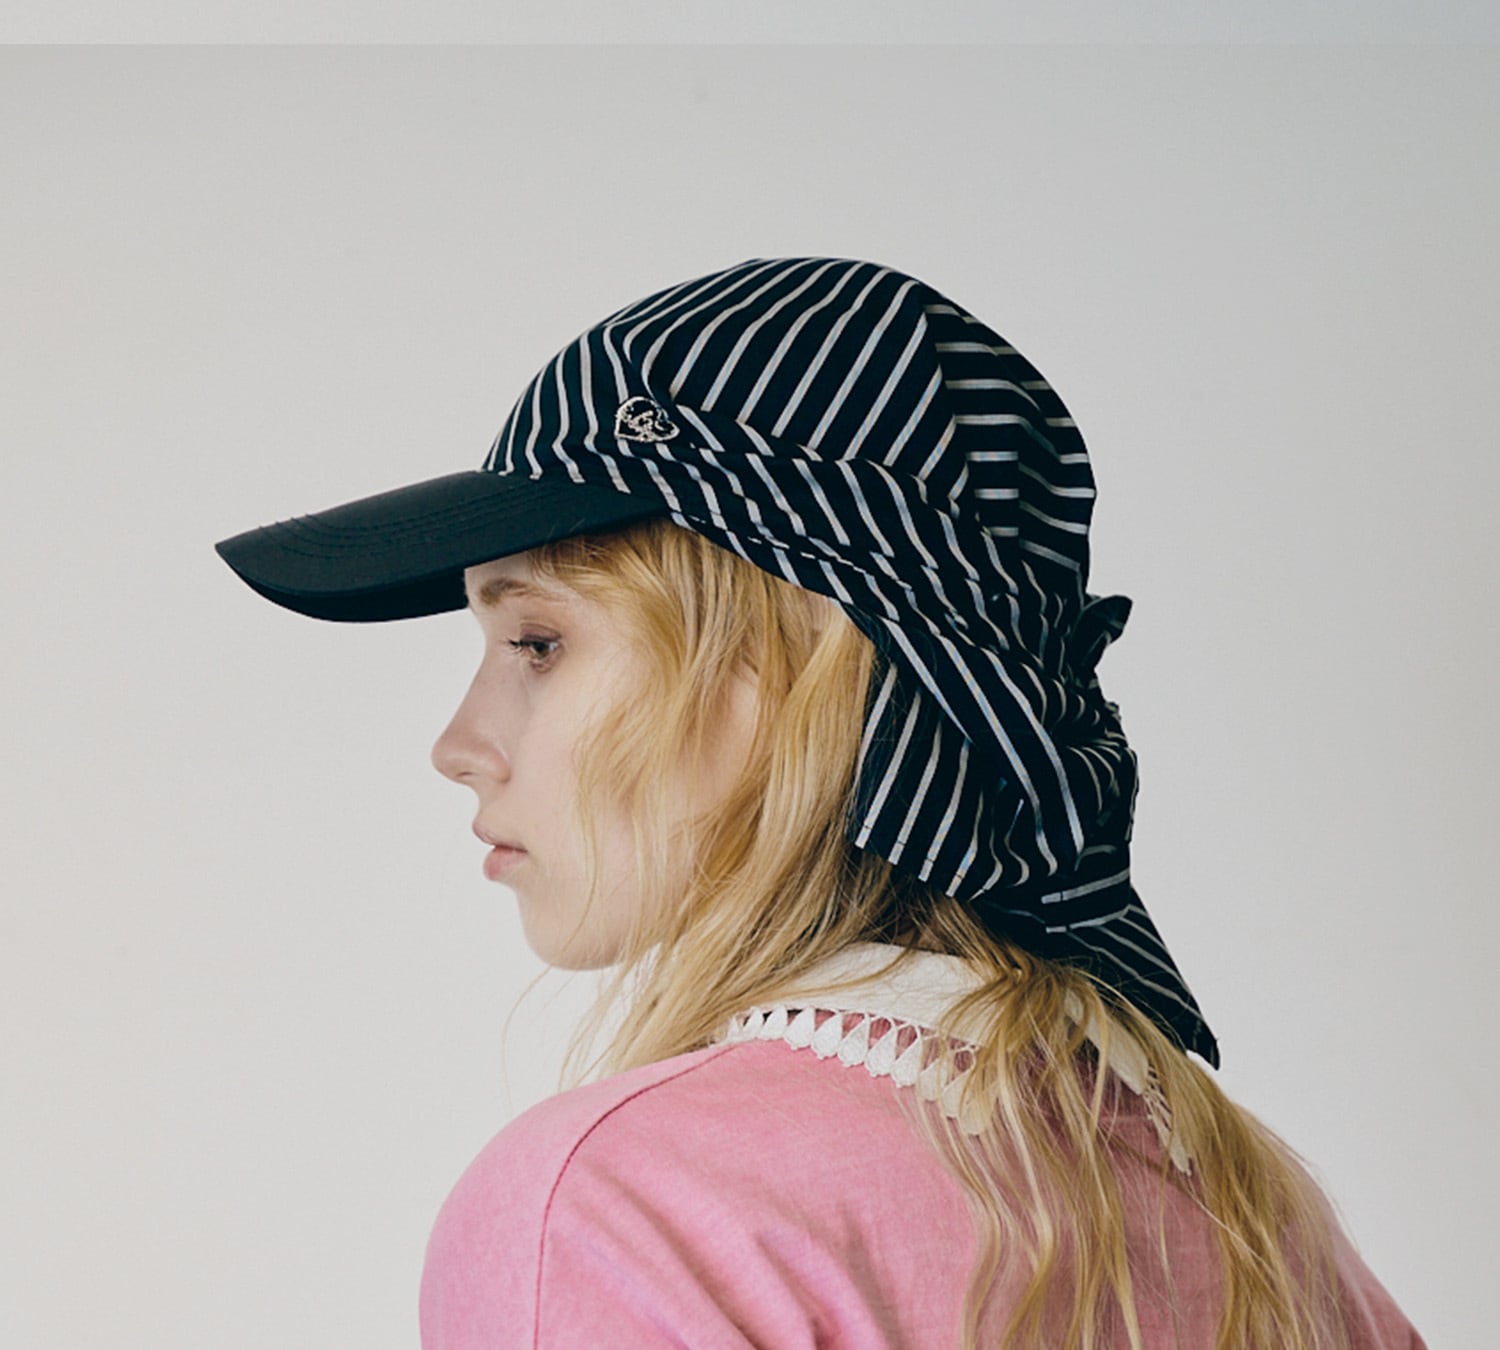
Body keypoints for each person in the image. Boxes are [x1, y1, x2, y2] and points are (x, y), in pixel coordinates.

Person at [215, 257, 1425, 1348]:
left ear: (796, 665)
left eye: (538, 642)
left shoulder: (622, 1214)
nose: (460, 747)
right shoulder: (1263, 1226)